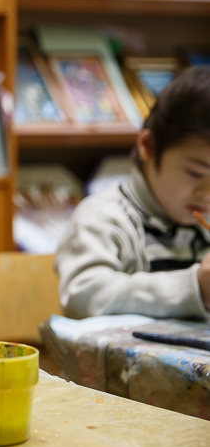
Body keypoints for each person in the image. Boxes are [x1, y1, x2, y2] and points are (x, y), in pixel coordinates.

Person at [56, 66, 210, 320]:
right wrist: (194, 287)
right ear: (147, 146)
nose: (206, 193)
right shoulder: (103, 219)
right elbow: (83, 297)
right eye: (194, 173)